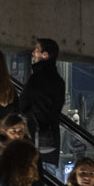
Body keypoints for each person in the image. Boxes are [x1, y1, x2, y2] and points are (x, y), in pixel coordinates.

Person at [19, 38, 65, 172]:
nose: (33, 53)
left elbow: (23, 104)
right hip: (50, 140)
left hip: (33, 137)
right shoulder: (59, 81)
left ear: (45, 55)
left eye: (37, 50)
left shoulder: (36, 78)